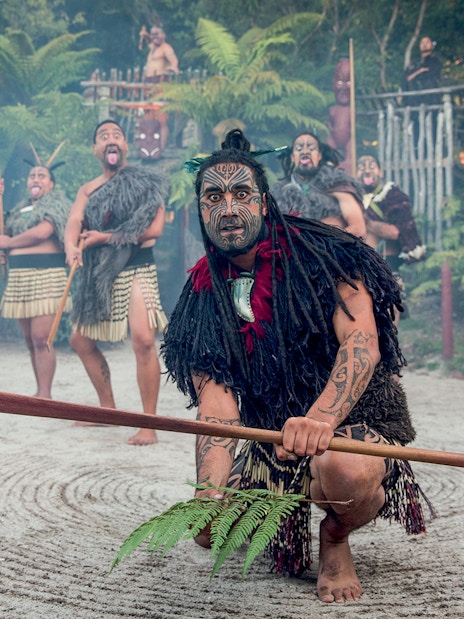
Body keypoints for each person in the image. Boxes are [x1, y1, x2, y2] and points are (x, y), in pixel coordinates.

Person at [162, 129, 433, 604]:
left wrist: (321, 418)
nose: (228, 208)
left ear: (265, 203)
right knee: (209, 530)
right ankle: (258, 497)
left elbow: (361, 343)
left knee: (344, 469)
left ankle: (334, 536)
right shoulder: (202, 295)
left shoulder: (326, 254)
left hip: (353, 422)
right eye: (214, 197)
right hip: (274, 440)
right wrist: (209, 491)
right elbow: (217, 403)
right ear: (201, 212)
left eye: (242, 194)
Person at [64, 119, 169, 446]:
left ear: (125, 146)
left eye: (117, 135)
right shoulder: (89, 188)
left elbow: (154, 229)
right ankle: (107, 408)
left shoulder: (145, 180)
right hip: (101, 272)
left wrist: (103, 238)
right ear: (96, 149)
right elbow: (74, 220)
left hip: (137, 265)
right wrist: (70, 246)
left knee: (143, 340)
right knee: (79, 340)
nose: (111, 140)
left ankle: (148, 424)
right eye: (103, 136)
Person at [0, 158, 72, 399]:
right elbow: (3, 232)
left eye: (42, 176)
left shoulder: (57, 204)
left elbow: (43, 232)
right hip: (20, 278)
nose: (36, 179)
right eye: (32, 176)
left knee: (42, 337)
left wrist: (9, 243)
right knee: (30, 340)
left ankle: (45, 394)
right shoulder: (20, 208)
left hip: (46, 276)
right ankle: (39, 390)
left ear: (51, 184)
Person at [357, 154, 426, 323]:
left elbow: (395, 232)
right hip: (361, 266)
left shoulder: (392, 195)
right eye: (361, 167)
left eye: (371, 166)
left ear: (380, 171)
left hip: (388, 265)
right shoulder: (353, 197)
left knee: (389, 322)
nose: (366, 169)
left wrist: (366, 221)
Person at [271, 131, 366, 238]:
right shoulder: (280, 195)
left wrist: (322, 239)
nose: (305, 151)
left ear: (319, 155)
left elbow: (358, 229)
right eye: (299, 149)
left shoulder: (337, 185)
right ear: (292, 157)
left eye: (311, 148)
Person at [138, 22, 180, 155]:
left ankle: (162, 149)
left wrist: (174, 66)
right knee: (148, 117)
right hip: (149, 85)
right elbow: (151, 40)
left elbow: (173, 58)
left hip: (160, 84)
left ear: (164, 35)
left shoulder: (166, 48)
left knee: (161, 118)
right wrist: (145, 36)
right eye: (153, 33)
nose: (155, 36)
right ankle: (149, 149)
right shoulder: (153, 48)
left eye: (158, 33)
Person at [326, 57, 352, 173]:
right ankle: (331, 160)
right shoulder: (333, 109)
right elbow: (329, 123)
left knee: (351, 145)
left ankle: (349, 159)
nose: (344, 87)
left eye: (349, 82)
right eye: (340, 82)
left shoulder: (351, 110)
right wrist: (330, 128)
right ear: (333, 84)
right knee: (329, 143)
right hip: (334, 138)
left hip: (348, 139)